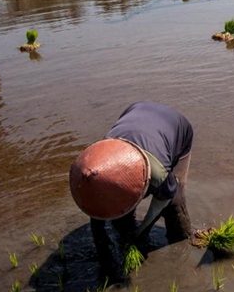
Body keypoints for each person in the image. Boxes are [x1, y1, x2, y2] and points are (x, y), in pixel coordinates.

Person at [69, 101, 193, 271]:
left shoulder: (159, 173)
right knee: (117, 210)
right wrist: (104, 256)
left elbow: (163, 199)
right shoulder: (95, 167)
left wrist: (142, 230)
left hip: (177, 127)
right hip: (135, 111)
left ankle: (182, 241)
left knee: (175, 202)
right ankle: (125, 230)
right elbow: (97, 217)